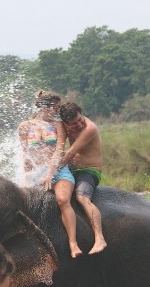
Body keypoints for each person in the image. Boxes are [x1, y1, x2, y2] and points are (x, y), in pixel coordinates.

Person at [18, 90, 83, 258]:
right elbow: (25, 155)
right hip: (36, 172)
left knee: (62, 199)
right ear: (45, 107)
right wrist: (25, 178)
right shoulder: (25, 126)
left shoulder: (58, 125)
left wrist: (50, 173)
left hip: (58, 169)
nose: (57, 111)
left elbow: (59, 150)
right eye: (55, 108)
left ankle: (73, 243)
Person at [59, 102, 107, 255]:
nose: (79, 124)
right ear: (66, 123)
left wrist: (52, 171)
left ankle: (99, 238)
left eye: (81, 119)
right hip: (71, 170)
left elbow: (71, 152)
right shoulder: (63, 126)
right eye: (74, 123)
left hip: (90, 170)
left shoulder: (89, 128)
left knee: (81, 196)